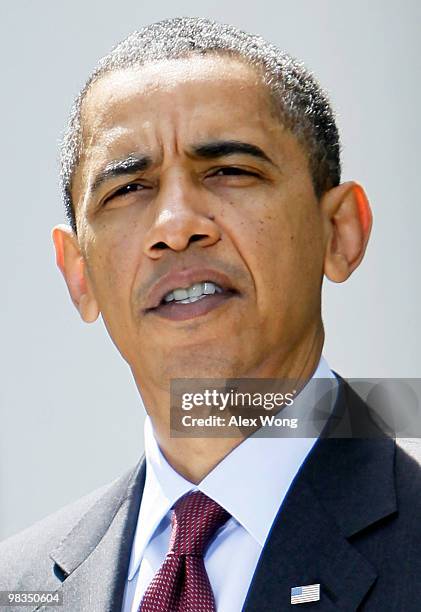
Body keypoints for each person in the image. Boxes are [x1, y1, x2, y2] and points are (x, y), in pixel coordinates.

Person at [0, 16, 420, 612]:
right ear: (78, 275)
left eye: (229, 171)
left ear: (339, 232)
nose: (175, 226)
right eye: (127, 189)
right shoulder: (17, 588)